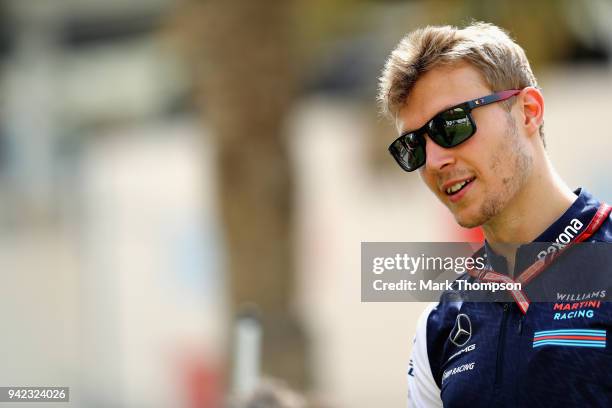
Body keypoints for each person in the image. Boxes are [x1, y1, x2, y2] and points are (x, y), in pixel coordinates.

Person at [377, 22, 612, 407]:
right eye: (413, 147)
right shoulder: (440, 326)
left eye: (451, 126)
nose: (435, 161)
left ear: (528, 112)